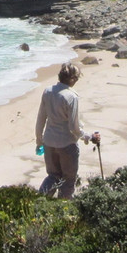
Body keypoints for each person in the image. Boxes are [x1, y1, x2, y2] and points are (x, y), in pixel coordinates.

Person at [35, 62, 100, 199]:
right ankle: (63, 211)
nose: (76, 80)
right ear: (71, 79)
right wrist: (88, 136)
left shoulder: (48, 91)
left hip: (49, 142)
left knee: (53, 176)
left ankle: (38, 202)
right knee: (68, 180)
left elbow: (41, 118)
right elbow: (74, 127)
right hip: (67, 144)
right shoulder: (71, 97)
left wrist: (39, 140)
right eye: (76, 78)